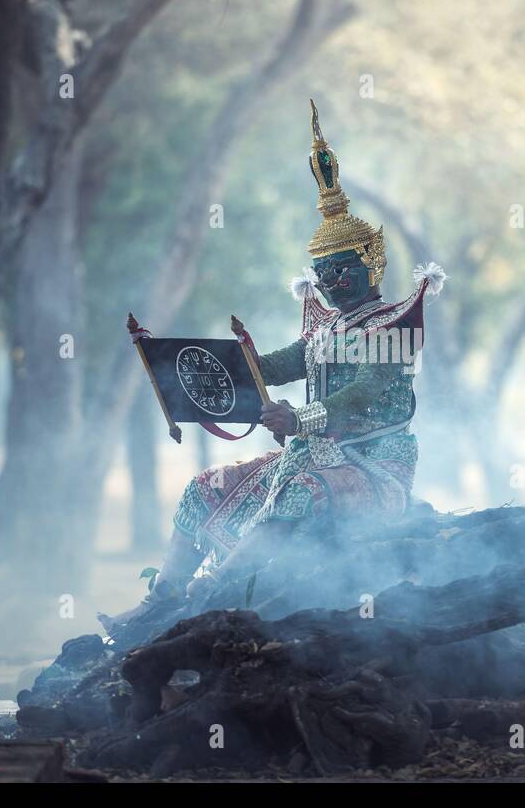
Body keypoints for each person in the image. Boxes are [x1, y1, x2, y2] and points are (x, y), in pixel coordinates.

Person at [150, 101, 444, 599]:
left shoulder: (393, 327)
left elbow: (364, 392)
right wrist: (190, 369)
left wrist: (300, 419)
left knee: (300, 493)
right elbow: (271, 368)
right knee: (204, 488)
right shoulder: (323, 329)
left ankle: (213, 596)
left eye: (343, 268)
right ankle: (157, 601)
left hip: (373, 466)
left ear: (372, 262)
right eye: (323, 271)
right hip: (308, 459)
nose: (331, 280)